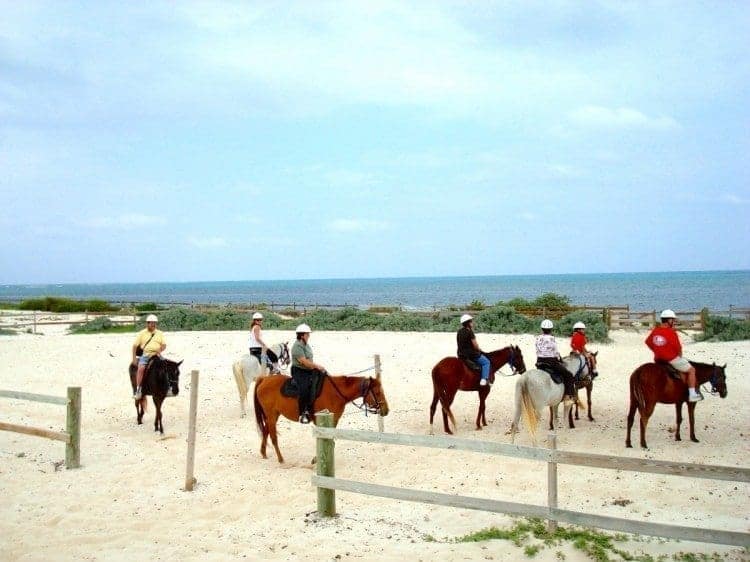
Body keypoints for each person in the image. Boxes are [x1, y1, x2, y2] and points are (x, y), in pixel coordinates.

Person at [645, 309, 702, 402]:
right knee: (692, 370)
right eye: (673, 320)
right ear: (669, 320)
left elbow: (648, 342)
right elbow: (678, 349)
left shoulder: (655, 330)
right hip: (670, 360)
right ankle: (692, 394)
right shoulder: (672, 332)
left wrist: (656, 350)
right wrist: (679, 357)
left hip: (658, 359)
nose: (674, 322)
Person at [290, 323, 328, 423]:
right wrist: (318, 366)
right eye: (307, 334)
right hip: (299, 371)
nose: (309, 336)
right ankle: (302, 413)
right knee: (305, 389)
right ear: (301, 335)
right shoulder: (296, 347)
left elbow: (309, 360)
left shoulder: (306, 345)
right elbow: (305, 362)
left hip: (309, 370)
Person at [535, 319, 579, 406]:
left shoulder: (538, 338)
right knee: (569, 375)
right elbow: (555, 352)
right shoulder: (552, 338)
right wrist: (560, 359)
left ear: (542, 329)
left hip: (539, 362)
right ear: (551, 329)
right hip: (551, 362)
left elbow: (537, 349)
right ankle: (568, 397)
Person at [131, 314, 167, 400]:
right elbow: (135, 346)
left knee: (166, 367)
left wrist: (160, 350)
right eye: (151, 323)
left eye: (154, 323)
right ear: (147, 323)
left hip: (157, 354)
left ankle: (167, 387)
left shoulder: (160, 333)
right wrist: (134, 358)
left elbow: (164, 345)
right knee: (141, 369)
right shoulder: (142, 333)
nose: (153, 325)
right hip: (146, 355)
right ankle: (139, 390)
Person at [456, 314, 491, 386]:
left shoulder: (459, 331)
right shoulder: (470, 332)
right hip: (471, 354)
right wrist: (479, 349)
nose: (472, 323)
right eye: (471, 321)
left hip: (460, 354)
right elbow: (475, 345)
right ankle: (484, 379)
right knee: (486, 362)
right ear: (468, 323)